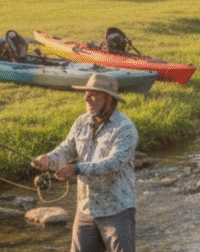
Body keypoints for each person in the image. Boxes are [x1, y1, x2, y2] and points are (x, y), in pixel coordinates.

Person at [30, 73, 138, 252]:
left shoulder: (125, 128)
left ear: (110, 99)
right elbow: (67, 148)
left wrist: (76, 169)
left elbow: (114, 164)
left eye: (94, 94)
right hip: (86, 209)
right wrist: (48, 159)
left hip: (117, 210)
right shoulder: (81, 122)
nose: (87, 97)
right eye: (86, 92)